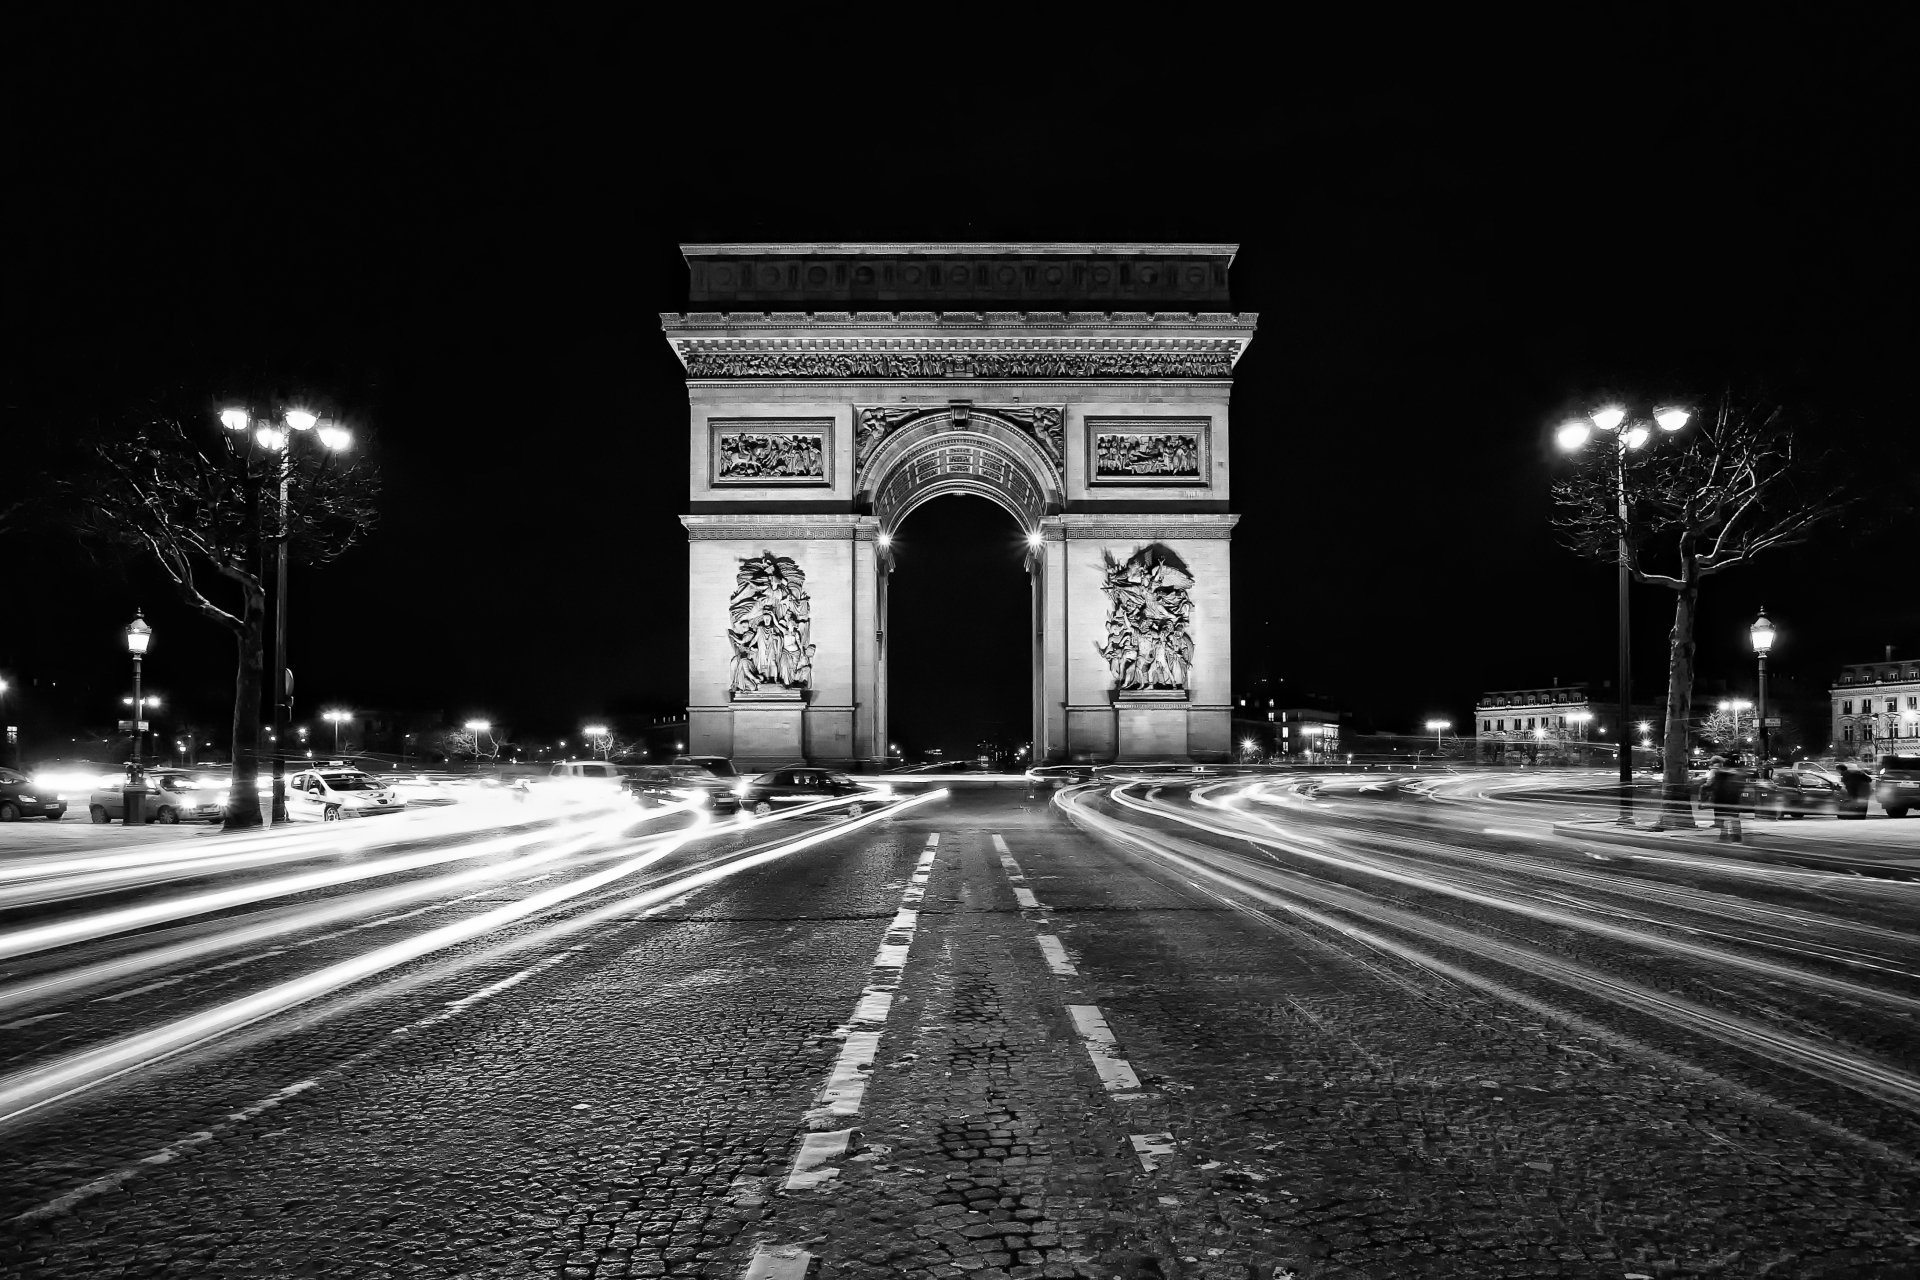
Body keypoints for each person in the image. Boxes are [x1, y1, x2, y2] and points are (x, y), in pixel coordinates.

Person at [1706, 756, 1746, 842]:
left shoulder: (1718, 773)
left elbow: (1712, 785)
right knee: (1734, 818)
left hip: (1721, 799)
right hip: (1734, 799)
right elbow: (1741, 786)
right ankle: (1736, 837)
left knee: (1722, 817)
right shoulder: (1738, 774)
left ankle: (1724, 836)